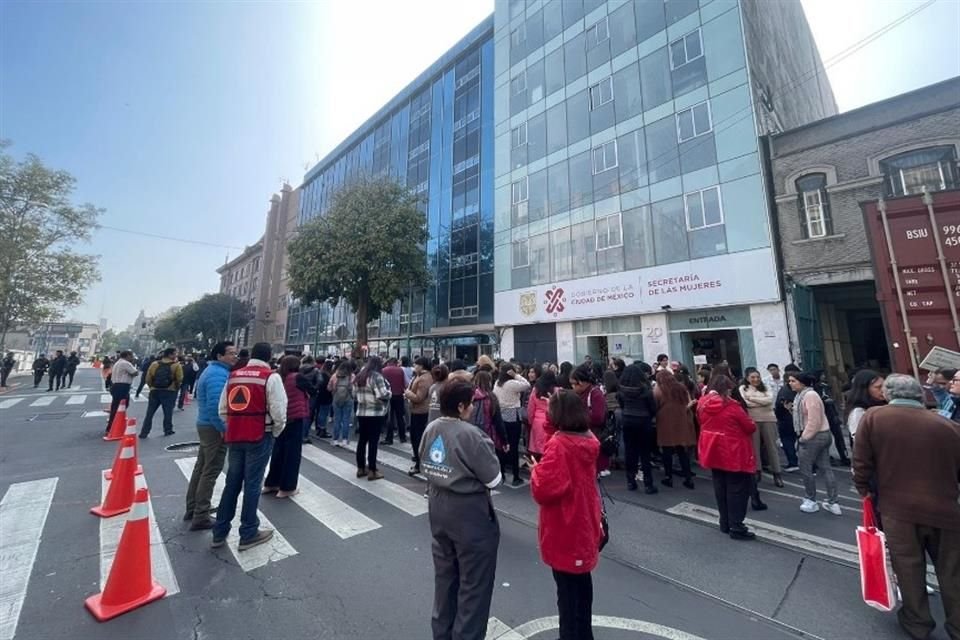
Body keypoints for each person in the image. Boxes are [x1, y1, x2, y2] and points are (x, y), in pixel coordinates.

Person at [853, 374, 960, 640]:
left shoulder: (875, 418)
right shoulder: (947, 425)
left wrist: (864, 490)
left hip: (897, 509)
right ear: (921, 395)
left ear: (888, 394)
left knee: (909, 567)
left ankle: (917, 623)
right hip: (945, 508)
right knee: (952, 570)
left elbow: (861, 463)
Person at [419, 380, 502, 640]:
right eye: (470, 403)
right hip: (470, 514)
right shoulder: (472, 435)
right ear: (461, 405)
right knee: (474, 585)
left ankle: (442, 634)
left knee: (445, 579)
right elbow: (494, 479)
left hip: (438, 506)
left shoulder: (431, 427)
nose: (472, 408)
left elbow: (424, 461)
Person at [530, 390, 602, 640]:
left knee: (567, 595)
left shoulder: (560, 446)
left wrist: (536, 470)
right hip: (584, 520)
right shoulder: (587, 439)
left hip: (565, 524)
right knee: (581, 589)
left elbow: (544, 489)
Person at [212, 342, 286, 551]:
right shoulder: (270, 377)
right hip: (260, 434)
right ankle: (248, 531)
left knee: (232, 483)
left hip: (235, 435)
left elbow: (222, 409)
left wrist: (232, 425)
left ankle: (219, 531)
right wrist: (276, 431)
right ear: (270, 356)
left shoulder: (234, 375)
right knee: (253, 484)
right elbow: (279, 411)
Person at [697, 374, 757, 540]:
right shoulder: (732, 407)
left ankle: (724, 521)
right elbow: (749, 427)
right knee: (737, 489)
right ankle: (736, 526)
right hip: (733, 450)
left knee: (720, 486)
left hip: (712, 449)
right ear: (727, 389)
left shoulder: (702, 403)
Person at [184, 341, 237, 530]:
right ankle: (201, 515)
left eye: (235, 353)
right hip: (213, 427)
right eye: (230, 353)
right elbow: (217, 407)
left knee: (202, 468)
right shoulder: (217, 374)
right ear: (219, 356)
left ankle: (193, 508)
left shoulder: (215, 371)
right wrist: (223, 428)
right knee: (211, 470)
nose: (234, 356)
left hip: (206, 424)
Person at [790, 372, 841, 515]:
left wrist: (803, 438)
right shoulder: (803, 395)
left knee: (806, 468)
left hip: (814, 436)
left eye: (793, 381)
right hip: (822, 434)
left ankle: (811, 499)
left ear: (802, 382)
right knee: (825, 468)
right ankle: (833, 501)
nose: (790, 383)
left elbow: (814, 420)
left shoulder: (809, 396)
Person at [263, 355, 309, 499]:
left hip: (280, 417)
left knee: (278, 451)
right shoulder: (298, 377)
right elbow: (314, 389)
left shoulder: (277, 377)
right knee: (292, 454)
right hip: (295, 417)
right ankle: (287, 487)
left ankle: (271, 483)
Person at [740, 367, 784, 488]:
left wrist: (752, 399)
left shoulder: (766, 387)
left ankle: (777, 473)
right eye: (752, 377)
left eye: (757, 377)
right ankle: (757, 471)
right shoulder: (743, 388)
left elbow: (769, 400)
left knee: (772, 447)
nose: (756, 379)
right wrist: (760, 401)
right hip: (752, 420)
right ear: (747, 378)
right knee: (755, 447)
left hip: (769, 419)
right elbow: (746, 403)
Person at [618, 364, 658, 492]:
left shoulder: (622, 391)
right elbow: (653, 408)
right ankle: (648, 483)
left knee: (630, 452)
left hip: (628, 420)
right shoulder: (646, 390)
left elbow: (622, 405)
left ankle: (631, 481)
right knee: (645, 453)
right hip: (643, 421)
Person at [654, 370, 696, 489]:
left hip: (665, 422)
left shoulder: (659, 390)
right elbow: (687, 402)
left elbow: (655, 404)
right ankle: (688, 478)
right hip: (680, 421)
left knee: (666, 451)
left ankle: (668, 477)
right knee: (681, 450)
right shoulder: (681, 387)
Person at [353, 356, 391, 481]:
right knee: (373, 442)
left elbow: (353, 394)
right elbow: (382, 394)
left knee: (362, 440)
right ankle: (372, 470)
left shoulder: (360, 375)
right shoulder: (376, 376)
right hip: (375, 413)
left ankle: (360, 468)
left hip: (361, 411)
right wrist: (390, 393)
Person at [493, 363, 531, 486]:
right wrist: (517, 375)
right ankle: (515, 476)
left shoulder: (497, 383)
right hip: (513, 415)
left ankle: (502, 473)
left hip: (501, 415)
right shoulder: (512, 384)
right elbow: (527, 384)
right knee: (513, 446)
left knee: (503, 445)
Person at [571, 367, 607, 477]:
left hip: (592, 437)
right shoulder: (579, 394)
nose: (572, 387)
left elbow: (598, 417)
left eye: (573, 384)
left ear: (581, 382)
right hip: (580, 438)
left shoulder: (595, 394)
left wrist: (578, 416)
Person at [140, 347, 183, 438]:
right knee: (168, 412)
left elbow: (148, 378)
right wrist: (176, 387)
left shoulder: (154, 364)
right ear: (170, 355)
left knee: (150, 412)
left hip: (154, 391)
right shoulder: (176, 365)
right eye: (175, 353)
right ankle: (167, 430)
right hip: (169, 391)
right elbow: (179, 379)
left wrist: (152, 386)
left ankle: (144, 431)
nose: (176, 355)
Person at [404, 357, 432, 475]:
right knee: (417, 437)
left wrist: (408, 393)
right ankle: (419, 460)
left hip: (420, 411)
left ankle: (419, 463)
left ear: (422, 365)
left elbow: (419, 398)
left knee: (417, 438)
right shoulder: (421, 376)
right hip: (419, 410)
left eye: (416, 364)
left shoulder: (424, 379)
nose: (414, 366)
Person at [844, 369, 885, 442]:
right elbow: (860, 441)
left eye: (885, 386)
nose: (883, 390)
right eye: (878, 387)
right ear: (865, 389)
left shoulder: (885, 404)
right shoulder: (858, 412)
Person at [774, 365, 801, 471]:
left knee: (788, 441)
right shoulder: (800, 390)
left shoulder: (784, 391)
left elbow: (780, 406)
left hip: (786, 420)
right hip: (795, 419)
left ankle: (793, 462)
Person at [104, 350, 138, 435]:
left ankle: (114, 424)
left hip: (116, 385)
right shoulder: (126, 363)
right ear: (127, 356)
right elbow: (135, 372)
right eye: (131, 356)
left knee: (119, 406)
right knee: (119, 407)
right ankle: (112, 426)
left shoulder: (118, 362)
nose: (133, 358)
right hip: (122, 386)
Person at [527, 370, 557, 462]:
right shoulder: (557, 391)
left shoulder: (536, 390)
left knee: (538, 449)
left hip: (537, 422)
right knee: (550, 448)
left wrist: (530, 421)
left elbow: (530, 408)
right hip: (552, 421)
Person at [381, 358, 408, 445]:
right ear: (396, 363)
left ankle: (389, 438)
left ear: (388, 362)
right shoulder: (400, 370)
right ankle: (402, 437)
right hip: (399, 395)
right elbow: (405, 383)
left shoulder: (384, 370)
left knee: (390, 417)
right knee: (400, 417)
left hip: (389, 396)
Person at [328, 361, 355, 446]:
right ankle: (344, 439)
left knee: (337, 419)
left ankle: (335, 439)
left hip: (336, 399)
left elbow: (329, 388)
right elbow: (354, 388)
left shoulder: (334, 376)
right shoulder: (352, 376)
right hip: (348, 399)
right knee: (346, 419)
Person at [312, 359, 334, 439]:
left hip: (320, 395)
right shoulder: (327, 375)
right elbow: (329, 386)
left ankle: (319, 428)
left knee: (320, 412)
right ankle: (322, 429)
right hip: (326, 396)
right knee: (324, 414)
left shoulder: (321, 373)